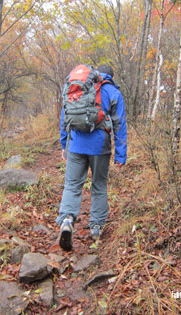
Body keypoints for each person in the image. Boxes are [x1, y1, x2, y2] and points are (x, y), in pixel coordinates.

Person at [57, 64, 127, 251]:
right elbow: (119, 124)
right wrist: (120, 155)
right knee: (99, 185)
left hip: (76, 143)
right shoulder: (113, 92)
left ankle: (66, 219)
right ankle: (96, 226)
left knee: (72, 185)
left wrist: (64, 143)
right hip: (99, 145)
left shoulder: (78, 86)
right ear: (111, 76)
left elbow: (65, 115)